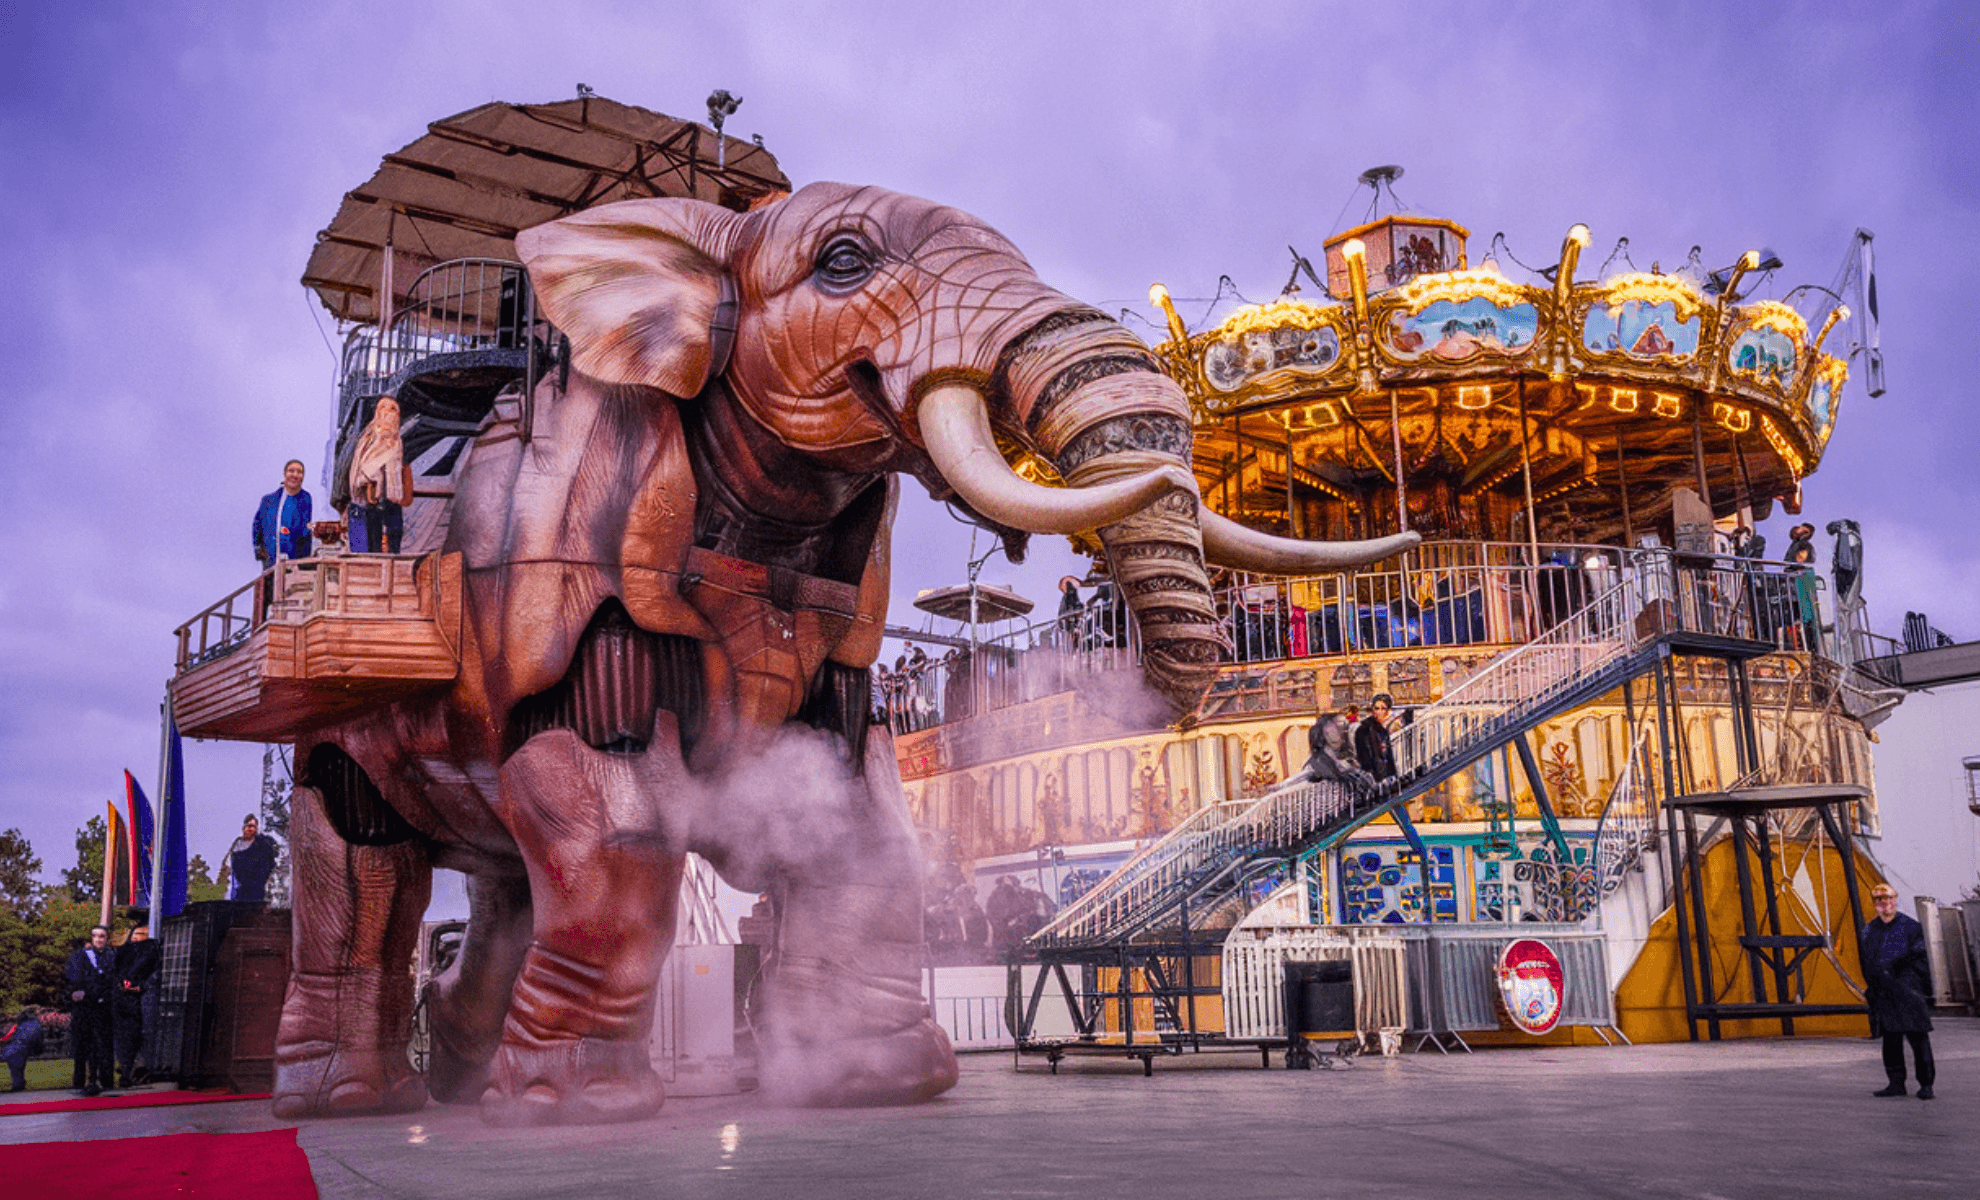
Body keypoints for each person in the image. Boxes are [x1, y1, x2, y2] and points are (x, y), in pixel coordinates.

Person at [1860, 882, 1935, 1099]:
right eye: (1881, 901)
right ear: (1876, 904)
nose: (1886, 905)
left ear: (1895, 900)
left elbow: (1920, 958)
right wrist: (1872, 988)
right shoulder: (1869, 931)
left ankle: (1926, 1085)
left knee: (1918, 1040)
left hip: (1909, 992)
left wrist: (1922, 990)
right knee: (1891, 1041)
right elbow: (1866, 962)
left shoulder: (1911, 927)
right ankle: (1896, 1083)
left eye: (1889, 900)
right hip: (1884, 993)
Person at [348, 395, 413, 554]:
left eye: (393, 409)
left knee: (395, 536)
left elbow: (402, 467)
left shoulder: (398, 441)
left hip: (393, 498)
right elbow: (359, 464)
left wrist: (403, 491)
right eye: (383, 408)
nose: (388, 413)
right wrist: (369, 480)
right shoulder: (368, 437)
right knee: (373, 541)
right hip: (373, 498)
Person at [63, 925, 117, 1096]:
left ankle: (106, 1080)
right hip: (85, 1008)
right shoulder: (79, 957)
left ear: (107, 939)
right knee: (82, 1045)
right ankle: (81, 1081)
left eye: (102, 936)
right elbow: (73, 980)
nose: (99, 939)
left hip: (103, 1007)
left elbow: (112, 980)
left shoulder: (112, 957)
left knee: (105, 1045)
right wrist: (77, 992)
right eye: (95, 936)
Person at [114, 925, 161, 1088]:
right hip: (125, 1001)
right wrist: (123, 984)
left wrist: (141, 986)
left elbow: (155, 974)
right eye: (135, 934)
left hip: (142, 999)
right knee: (126, 1037)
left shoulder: (153, 951)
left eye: (141, 934)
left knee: (143, 1034)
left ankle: (137, 1068)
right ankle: (127, 1071)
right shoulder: (122, 952)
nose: (136, 937)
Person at [252, 459, 314, 567]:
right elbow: (258, 524)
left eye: (299, 472)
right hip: (270, 561)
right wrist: (259, 549)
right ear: (285, 474)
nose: (295, 475)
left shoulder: (305, 498)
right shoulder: (268, 500)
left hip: (294, 562)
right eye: (291, 471)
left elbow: (304, 530)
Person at [1305, 713, 1377, 802]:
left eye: (1345, 726)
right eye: (1339, 726)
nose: (1343, 731)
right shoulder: (1317, 763)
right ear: (1324, 731)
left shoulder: (1348, 758)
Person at [217, 814, 279, 903]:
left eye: (253, 826)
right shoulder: (237, 844)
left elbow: (271, 859)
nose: (250, 829)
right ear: (244, 827)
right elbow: (229, 864)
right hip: (240, 888)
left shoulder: (262, 843)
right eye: (248, 826)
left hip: (257, 888)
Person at [1354, 693, 1399, 781]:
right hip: (1372, 778)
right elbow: (1364, 757)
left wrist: (1392, 774)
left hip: (1384, 777)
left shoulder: (1383, 731)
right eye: (1376, 708)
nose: (1379, 712)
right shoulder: (1364, 729)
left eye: (1383, 708)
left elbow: (1388, 755)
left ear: (1388, 711)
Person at [1, 1007, 46, 1093]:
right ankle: (18, 1085)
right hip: (21, 1049)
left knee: (16, 1068)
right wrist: (39, 1050)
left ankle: (18, 1085)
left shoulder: (22, 1025)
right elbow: (37, 1040)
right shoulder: (35, 1025)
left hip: (15, 1049)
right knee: (17, 1067)